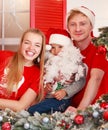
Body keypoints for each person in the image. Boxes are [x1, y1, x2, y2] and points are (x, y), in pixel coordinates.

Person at [28, 28, 86, 115]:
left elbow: (81, 81)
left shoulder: (75, 61)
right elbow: (44, 77)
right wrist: (46, 85)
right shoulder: (49, 61)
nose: (56, 51)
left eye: (60, 47)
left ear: (68, 47)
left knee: (32, 111)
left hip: (62, 99)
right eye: (53, 47)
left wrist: (66, 91)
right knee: (37, 110)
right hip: (47, 97)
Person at [65, 6, 108, 112]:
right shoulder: (66, 48)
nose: (77, 29)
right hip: (69, 108)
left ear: (91, 26)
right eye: (73, 24)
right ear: (68, 28)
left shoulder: (100, 46)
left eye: (83, 24)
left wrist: (80, 110)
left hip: (97, 110)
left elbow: (96, 78)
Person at [0, 28, 46, 112]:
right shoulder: (4, 56)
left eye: (37, 45)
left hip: (8, 117)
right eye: (27, 43)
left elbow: (20, 106)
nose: (31, 48)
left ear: (41, 50)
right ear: (21, 44)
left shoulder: (37, 75)